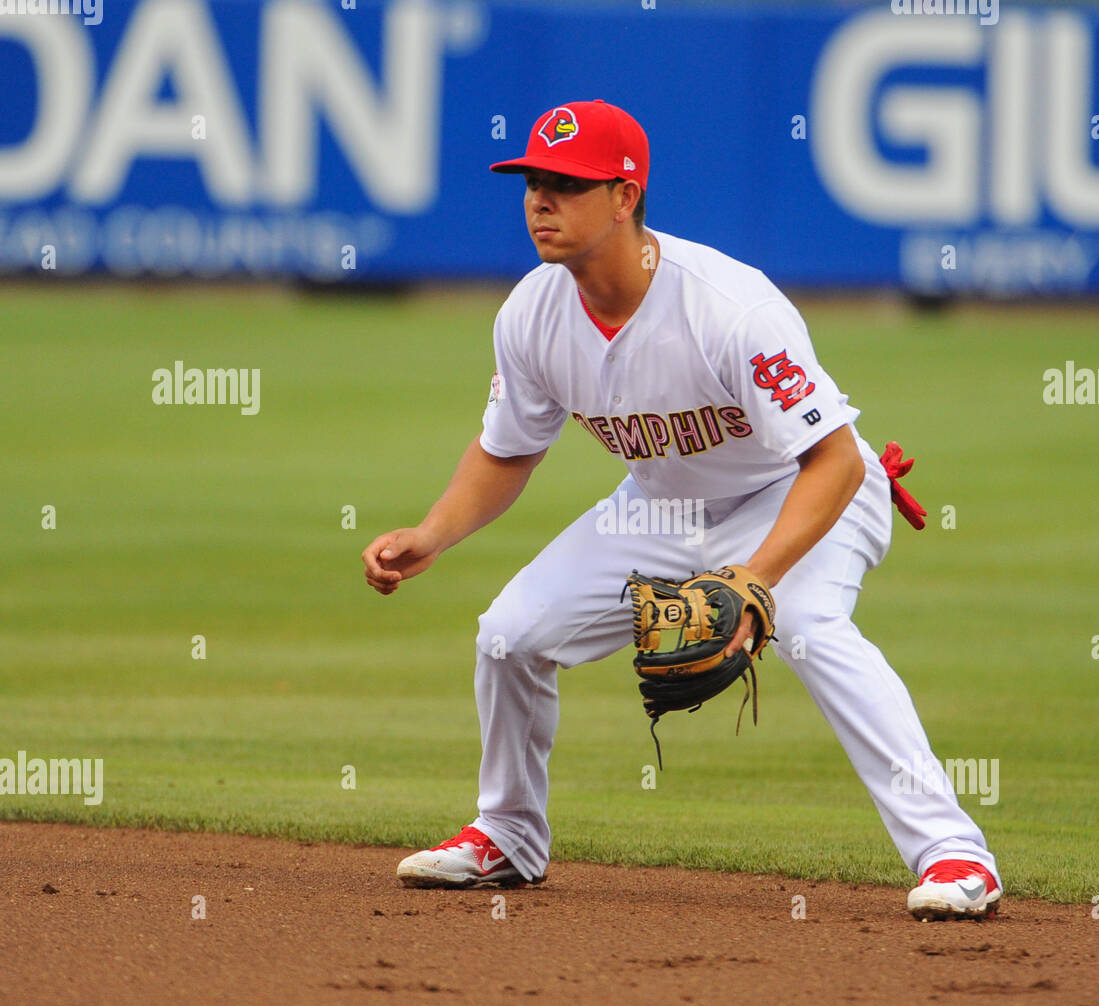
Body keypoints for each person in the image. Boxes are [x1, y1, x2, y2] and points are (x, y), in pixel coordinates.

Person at [362, 100, 1002, 920]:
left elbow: (834, 459)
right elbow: (509, 448)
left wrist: (754, 582)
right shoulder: (532, 311)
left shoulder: (729, 308)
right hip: (659, 508)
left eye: (566, 184)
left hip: (802, 494)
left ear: (626, 197)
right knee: (507, 636)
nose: (539, 200)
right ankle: (508, 835)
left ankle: (953, 853)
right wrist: (433, 532)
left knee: (809, 628)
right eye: (531, 182)